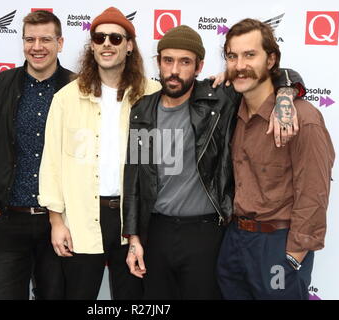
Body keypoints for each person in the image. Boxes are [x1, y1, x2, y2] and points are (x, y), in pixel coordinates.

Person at [123, 25, 305, 299]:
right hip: (156, 232)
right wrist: (134, 237)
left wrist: (285, 96)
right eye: (168, 60)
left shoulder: (220, 97)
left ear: (199, 66)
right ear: (158, 63)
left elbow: (277, 74)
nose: (175, 70)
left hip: (206, 232)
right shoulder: (142, 110)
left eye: (185, 62)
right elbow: (134, 177)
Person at [38, 7, 161, 300]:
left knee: (133, 298)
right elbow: (52, 162)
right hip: (80, 218)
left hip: (133, 220)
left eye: (116, 38)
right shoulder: (67, 98)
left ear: (129, 45)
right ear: (92, 45)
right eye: (100, 37)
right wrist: (57, 221)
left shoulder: (152, 94)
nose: (107, 44)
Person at [216, 18, 334, 300]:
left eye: (250, 55)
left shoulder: (302, 118)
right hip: (235, 241)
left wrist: (294, 256)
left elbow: (314, 192)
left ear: (271, 60)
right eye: (233, 56)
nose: (240, 64)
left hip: (278, 245)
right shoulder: (232, 109)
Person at [0, 10, 73, 300]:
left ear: (60, 43)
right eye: (30, 39)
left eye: (45, 39)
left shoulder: (76, 89)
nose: (36, 46)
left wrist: (66, 217)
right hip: (7, 220)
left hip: (59, 223)